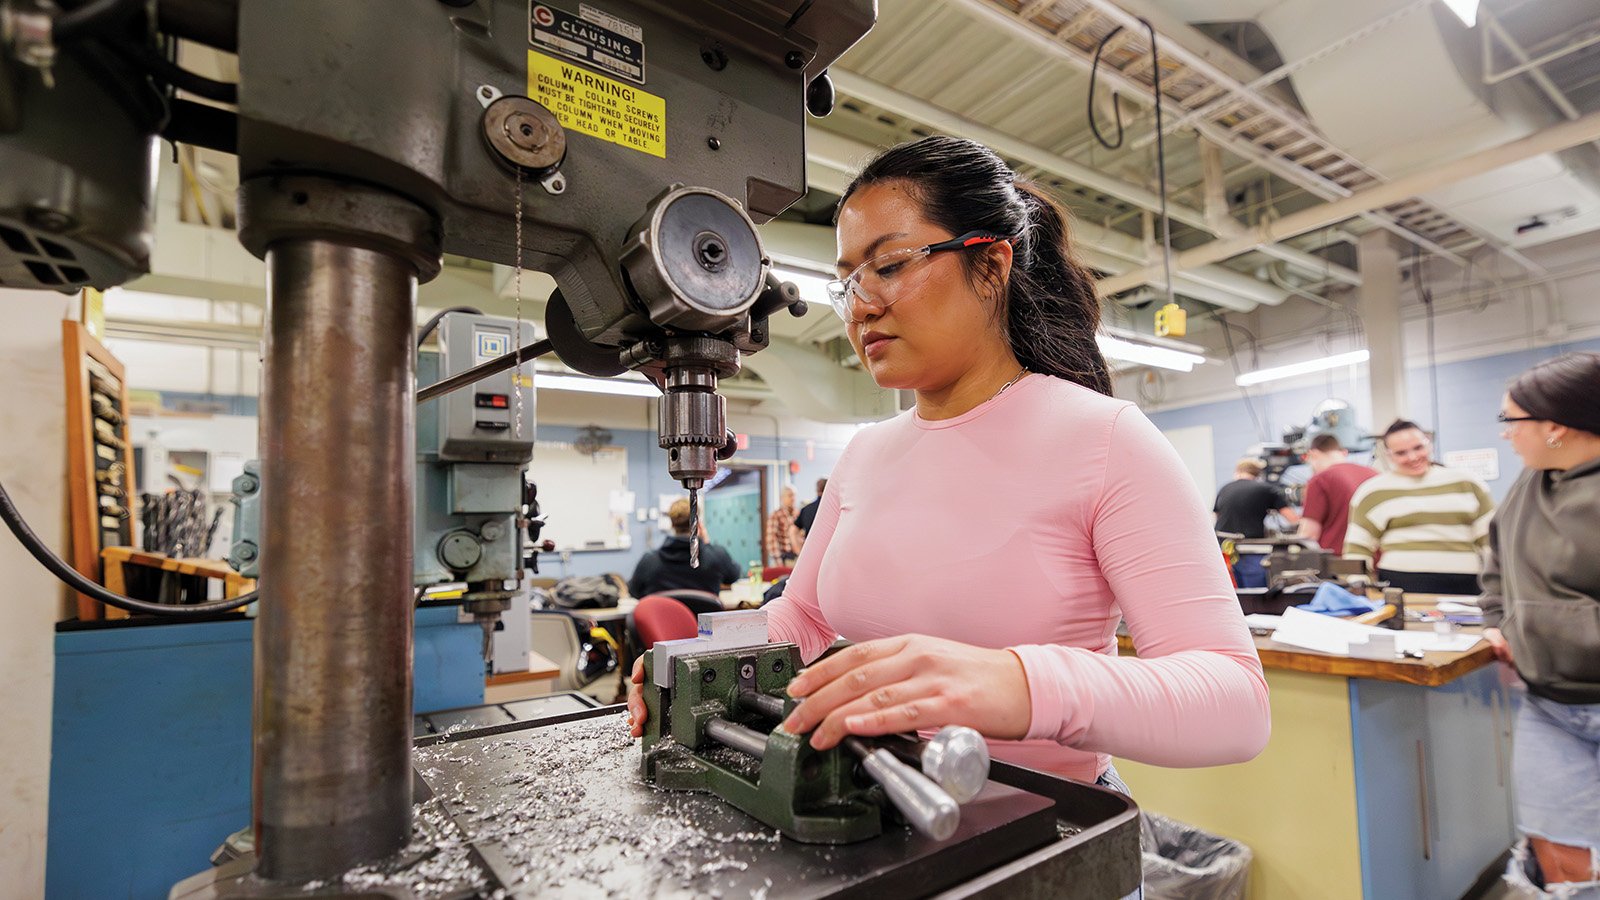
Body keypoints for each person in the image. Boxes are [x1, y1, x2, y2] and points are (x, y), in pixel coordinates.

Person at [628, 136, 1269, 802]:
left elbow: (1236, 705)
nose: (862, 305)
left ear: (990, 265)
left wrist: (1020, 685)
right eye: (848, 281)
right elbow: (802, 619)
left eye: (891, 265)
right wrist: (698, 659)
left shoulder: (1104, 438)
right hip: (880, 807)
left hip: (1043, 829)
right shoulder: (868, 451)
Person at [1479, 352, 1600, 897]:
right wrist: (1501, 622)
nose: (1506, 434)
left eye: (1512, 420)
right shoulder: (1528, 486)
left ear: (1555, 425)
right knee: (1558, 861)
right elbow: (1496, 566)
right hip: (1551, 706)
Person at [1343, 419, 1494, 594]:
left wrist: (1499, 586)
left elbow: (1490, 541)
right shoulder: (1371, 492)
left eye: (1418, 448)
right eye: (1401, 453)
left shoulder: (1467, 483)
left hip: (1466, 584)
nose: (1412, 457)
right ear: (1388, 454)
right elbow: (1357, 550)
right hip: (1402, 583)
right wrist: (1360, 591)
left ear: (1429, 443)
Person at [627, 498, 740, 598]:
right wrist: (707, 545)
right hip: (702, 622)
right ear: (698, 524)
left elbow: (634, 592)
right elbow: (733, 576)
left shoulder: (649, 561)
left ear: (672, 524)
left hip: (665, 622)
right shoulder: (717, 555)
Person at [1296, 434, 1378, 553]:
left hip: (1339, 562)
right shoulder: (1374, 474)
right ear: (1344, 452)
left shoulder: (1320, 479)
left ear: (1313, 454)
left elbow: (1308, 535)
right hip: (1376, 559)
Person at [1213, 458, 1298, 539]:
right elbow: (1293, 519)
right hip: (1251, 545)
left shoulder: (1224, 489)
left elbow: (1217, 516)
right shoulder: (1267, 489)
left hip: (1223, 545)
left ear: (1237, 472)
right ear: (1258, 474)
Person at [764, 486, 799, 566]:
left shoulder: (798, 514)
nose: (793, 498)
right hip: (785, 559)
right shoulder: (776, 515)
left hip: (797, 557)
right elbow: (771, 540)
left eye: (794, 495)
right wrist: (779, 562)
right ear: (782, 498)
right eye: (790, 495)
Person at [790, 477, 827, 553]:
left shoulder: (806, 509)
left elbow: (792, 531)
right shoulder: (834, 509)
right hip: (829, 553)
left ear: (817, 490)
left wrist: (799, 552)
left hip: (811, 553)